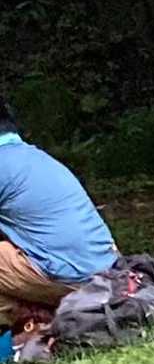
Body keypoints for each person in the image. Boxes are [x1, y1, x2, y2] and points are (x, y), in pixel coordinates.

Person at [0, 103, 118, 329]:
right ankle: (37, 322)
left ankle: (33, 325)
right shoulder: (32, 157)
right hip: (106, 273)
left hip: (72, 276)